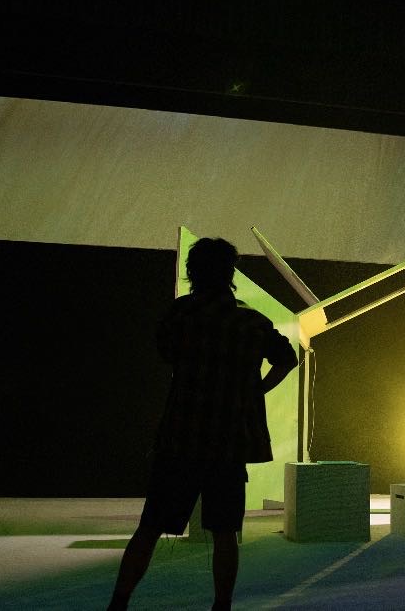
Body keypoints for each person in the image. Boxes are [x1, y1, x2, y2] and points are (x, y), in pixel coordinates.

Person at [107, 237, 298, 611]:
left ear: (193, 273)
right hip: (229, 443)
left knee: (149, 528)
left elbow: (166, 352)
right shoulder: (251, 322)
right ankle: (221, 605)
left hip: (180, 439)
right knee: (225, 533)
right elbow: (287, 358)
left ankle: (119, 603)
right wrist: (256, 390)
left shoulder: (180, 316)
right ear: (230, 273)